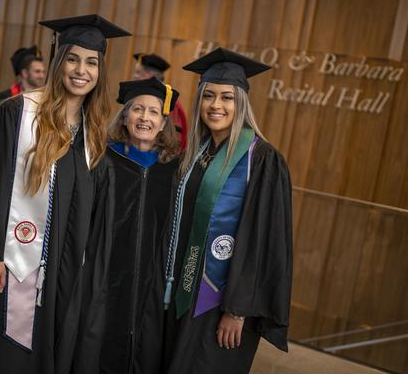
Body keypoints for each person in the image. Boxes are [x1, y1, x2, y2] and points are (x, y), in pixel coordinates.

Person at [0, 14, 130, 374]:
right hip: (8, 268)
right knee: (2, 357)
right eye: (72, 58)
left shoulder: (93, 139)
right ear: (58, 62)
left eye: (92, 62)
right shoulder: (14, 116)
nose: (81, 70)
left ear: (100, 71)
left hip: (61, 277)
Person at [163, 48, 293, 373]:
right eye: (208, 96)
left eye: (226, 98)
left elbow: (262, 240)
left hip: (221, 297)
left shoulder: (261, 160)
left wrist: (237, 310)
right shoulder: (197, 154)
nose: (215, 106)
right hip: (184, 289)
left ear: (241, 104)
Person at [90, 77, 180, 374]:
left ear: (164, 122)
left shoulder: (175, 170)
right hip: (105, 280)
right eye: (138, 109)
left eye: (154, 112)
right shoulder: (104, 162)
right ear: (125, 117)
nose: (145, 117)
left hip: (154, 285)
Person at [133, 53, 188, 151]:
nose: (134, 76)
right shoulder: (145, 97)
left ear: (150, 74)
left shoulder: (168, 102)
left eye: (138, 72)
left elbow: (173, 141)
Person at [0, 45, 46, 110]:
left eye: (43, 71)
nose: (42, 76)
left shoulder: (42, 99)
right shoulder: (3, 98)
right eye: (37, 71)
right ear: (25, 73)